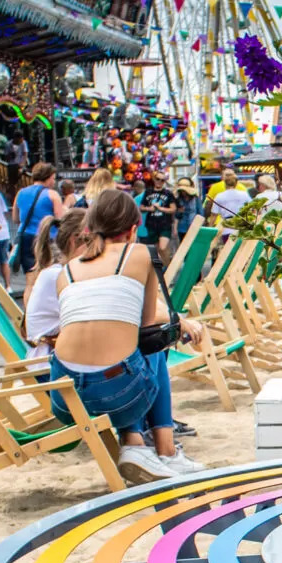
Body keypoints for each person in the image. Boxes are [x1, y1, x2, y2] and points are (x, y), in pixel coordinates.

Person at [47, 188, 202, 483]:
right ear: (133, 229)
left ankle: (137, 444)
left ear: (89, 228)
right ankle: (161, 449)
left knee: (120, 351)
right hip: (116, 396)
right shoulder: (141, 254)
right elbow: (144, 324)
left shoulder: (65, 271)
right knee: (152, 343)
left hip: (63, 396)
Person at [22, 209, 88, 372]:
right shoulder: (58, 276)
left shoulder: (57, 272)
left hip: (57, 362)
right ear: (75, 241)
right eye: (95, 241)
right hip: (51, 368)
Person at [13, 162, 59, 274]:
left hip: (26, 238)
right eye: (53, 178)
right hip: (47, 238)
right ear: (47, 178)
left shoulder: (20, 193)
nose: (54, 182)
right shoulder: (53, 195)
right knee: (48, 276)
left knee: (30, 281)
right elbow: (60, 221)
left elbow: (15, 219)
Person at [139, 172, 179, 257]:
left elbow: (173, 209)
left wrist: (161, 208)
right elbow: (141, 208)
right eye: (158, 179)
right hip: (151, 224)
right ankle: (165, 266)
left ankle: (168, 266)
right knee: (157, 249)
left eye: (162, 180)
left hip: (165, 224)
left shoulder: (168, 193)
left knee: (163, 247)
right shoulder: (148, 192)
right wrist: (149, 209)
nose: (159, 181)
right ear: (154, 179)